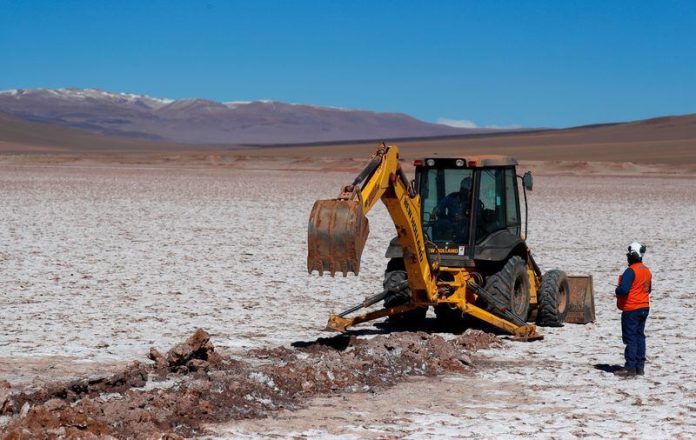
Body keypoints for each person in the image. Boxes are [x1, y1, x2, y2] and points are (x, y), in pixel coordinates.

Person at [614, 241, 652, 377]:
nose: (627, 258)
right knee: (640, 337)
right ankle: (639, 367)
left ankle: (630, 367)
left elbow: (623, 290)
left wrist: (617, 290)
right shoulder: (646, 270)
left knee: (630, 338)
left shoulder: (631, 271)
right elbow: (649, 289)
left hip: (631, 309)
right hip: (644, 307)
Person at [431, 176, 472, 242]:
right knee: (438, 224)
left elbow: (477, 220)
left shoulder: (474, 202)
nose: (463, 192)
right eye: (462, 189)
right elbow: (440, 206)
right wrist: (435, 211)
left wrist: (464, 218)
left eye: (466, 191)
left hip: (466, 231)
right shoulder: (452, 197)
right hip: (450, 226)